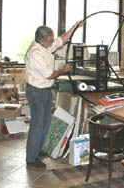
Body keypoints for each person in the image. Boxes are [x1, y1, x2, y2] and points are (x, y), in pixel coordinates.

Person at [25, 20, 84, 169]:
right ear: (42, 40)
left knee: (46, 123)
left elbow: (62, 39)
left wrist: (74, 27)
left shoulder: (46, 46)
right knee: (37, 125)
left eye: (52, 40)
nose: (53, 43)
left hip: (45, 91)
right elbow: (50, 75)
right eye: (50, 41)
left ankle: (37, 151)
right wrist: (63, 70)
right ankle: (31, 158)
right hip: (36, 92)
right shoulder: (35, 53)